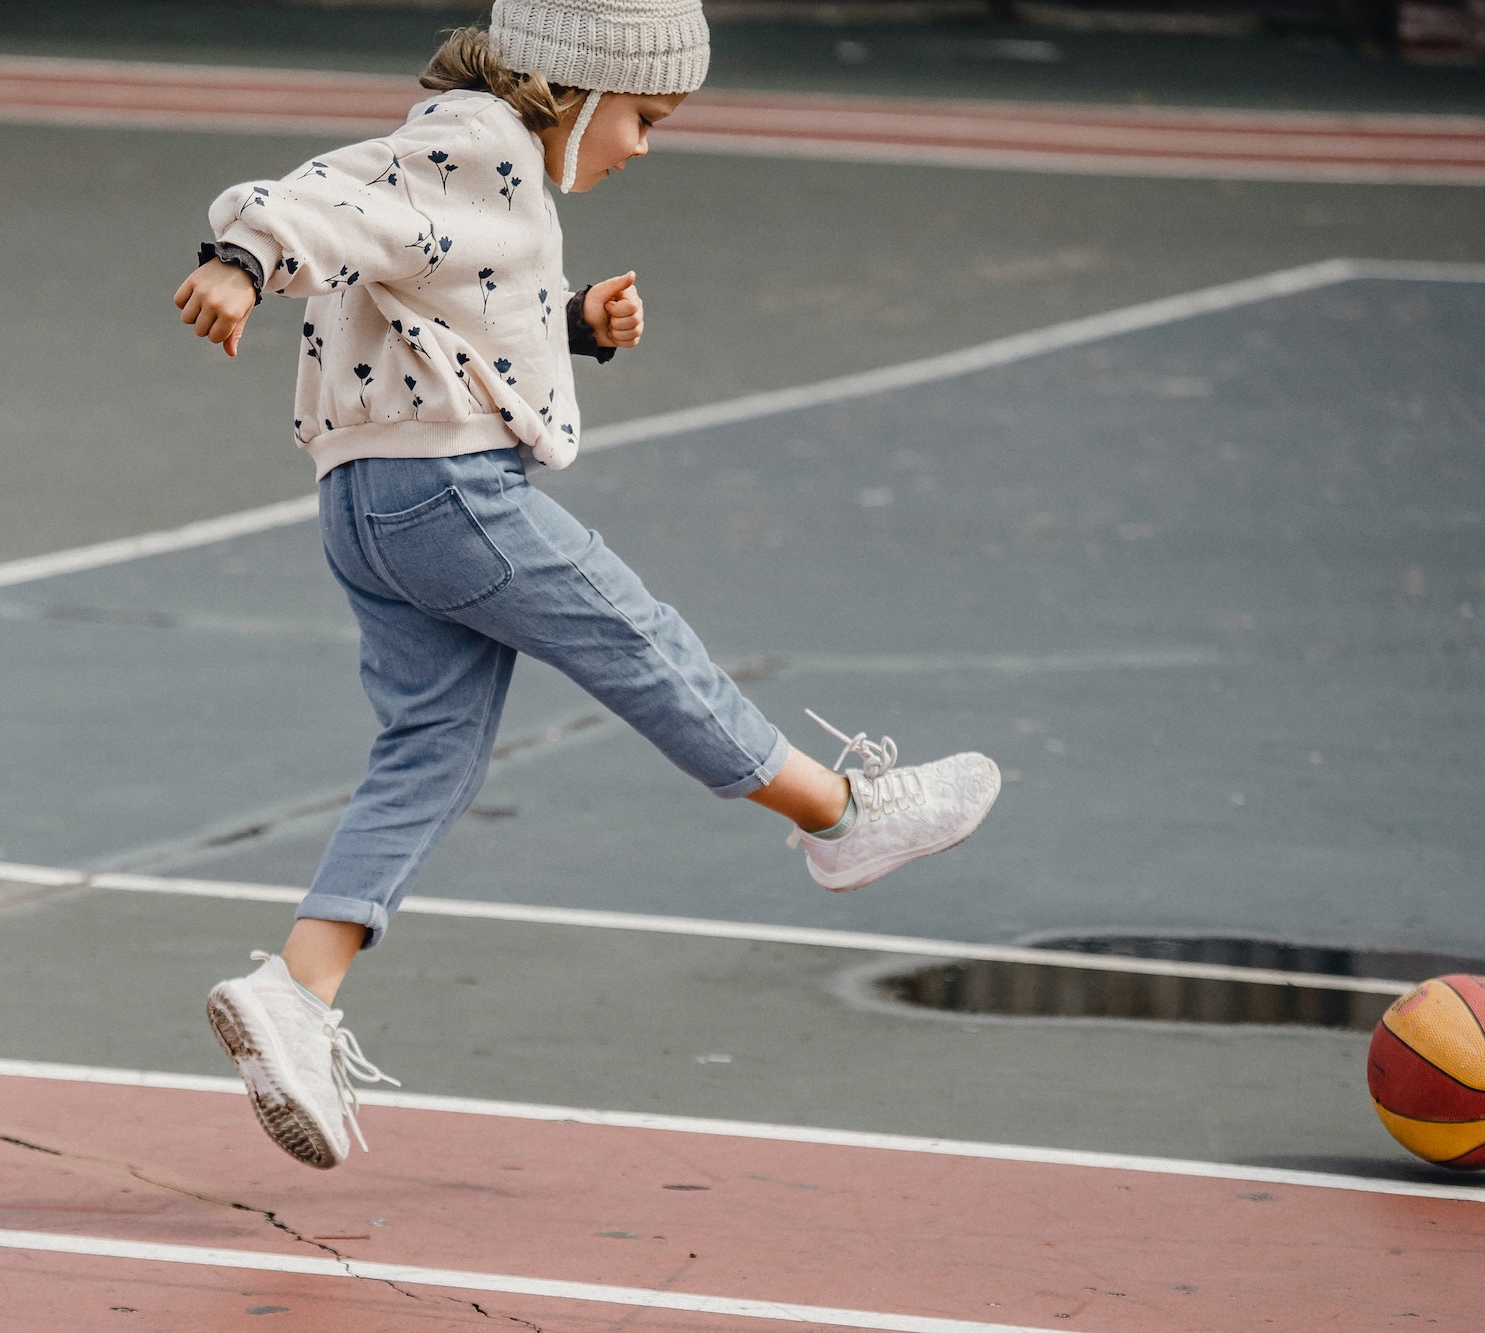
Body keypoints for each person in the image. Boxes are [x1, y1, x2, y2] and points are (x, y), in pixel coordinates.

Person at [173, 0, 1001, 1170]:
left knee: (430, 749)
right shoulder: (480, 140)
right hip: (448, 495)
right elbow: (326, 195)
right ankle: (844, 820)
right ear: (575, 92)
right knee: (640, 641)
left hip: (363, 505)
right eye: (644, 118)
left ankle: (297, 996)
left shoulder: (473, 163)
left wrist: (569, 326)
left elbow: (435, 297)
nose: (644, 146)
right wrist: (240, 265)